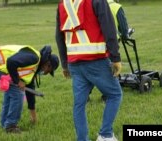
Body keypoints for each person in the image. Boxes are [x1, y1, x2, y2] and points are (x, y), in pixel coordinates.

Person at [55, 0, 123, 141]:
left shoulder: (63, 3)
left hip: (74, 63)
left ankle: (82, 139)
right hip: (95, 60)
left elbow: (59, 36)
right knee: (115, 94)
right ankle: (105, 134)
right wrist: (115, 57)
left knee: (79, 104)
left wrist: (64, 64)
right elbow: (109, 28)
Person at [0, 45, 59, 133]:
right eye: (49, 71)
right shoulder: (34, 58)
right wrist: (17, 81)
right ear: (48, 65)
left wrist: (33, 115)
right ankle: (10, 126)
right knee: (17, 93)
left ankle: (5, 122)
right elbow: (11, 62)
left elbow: (30, 91)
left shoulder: (34, 69)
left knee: (11, 92)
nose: (46, 73)